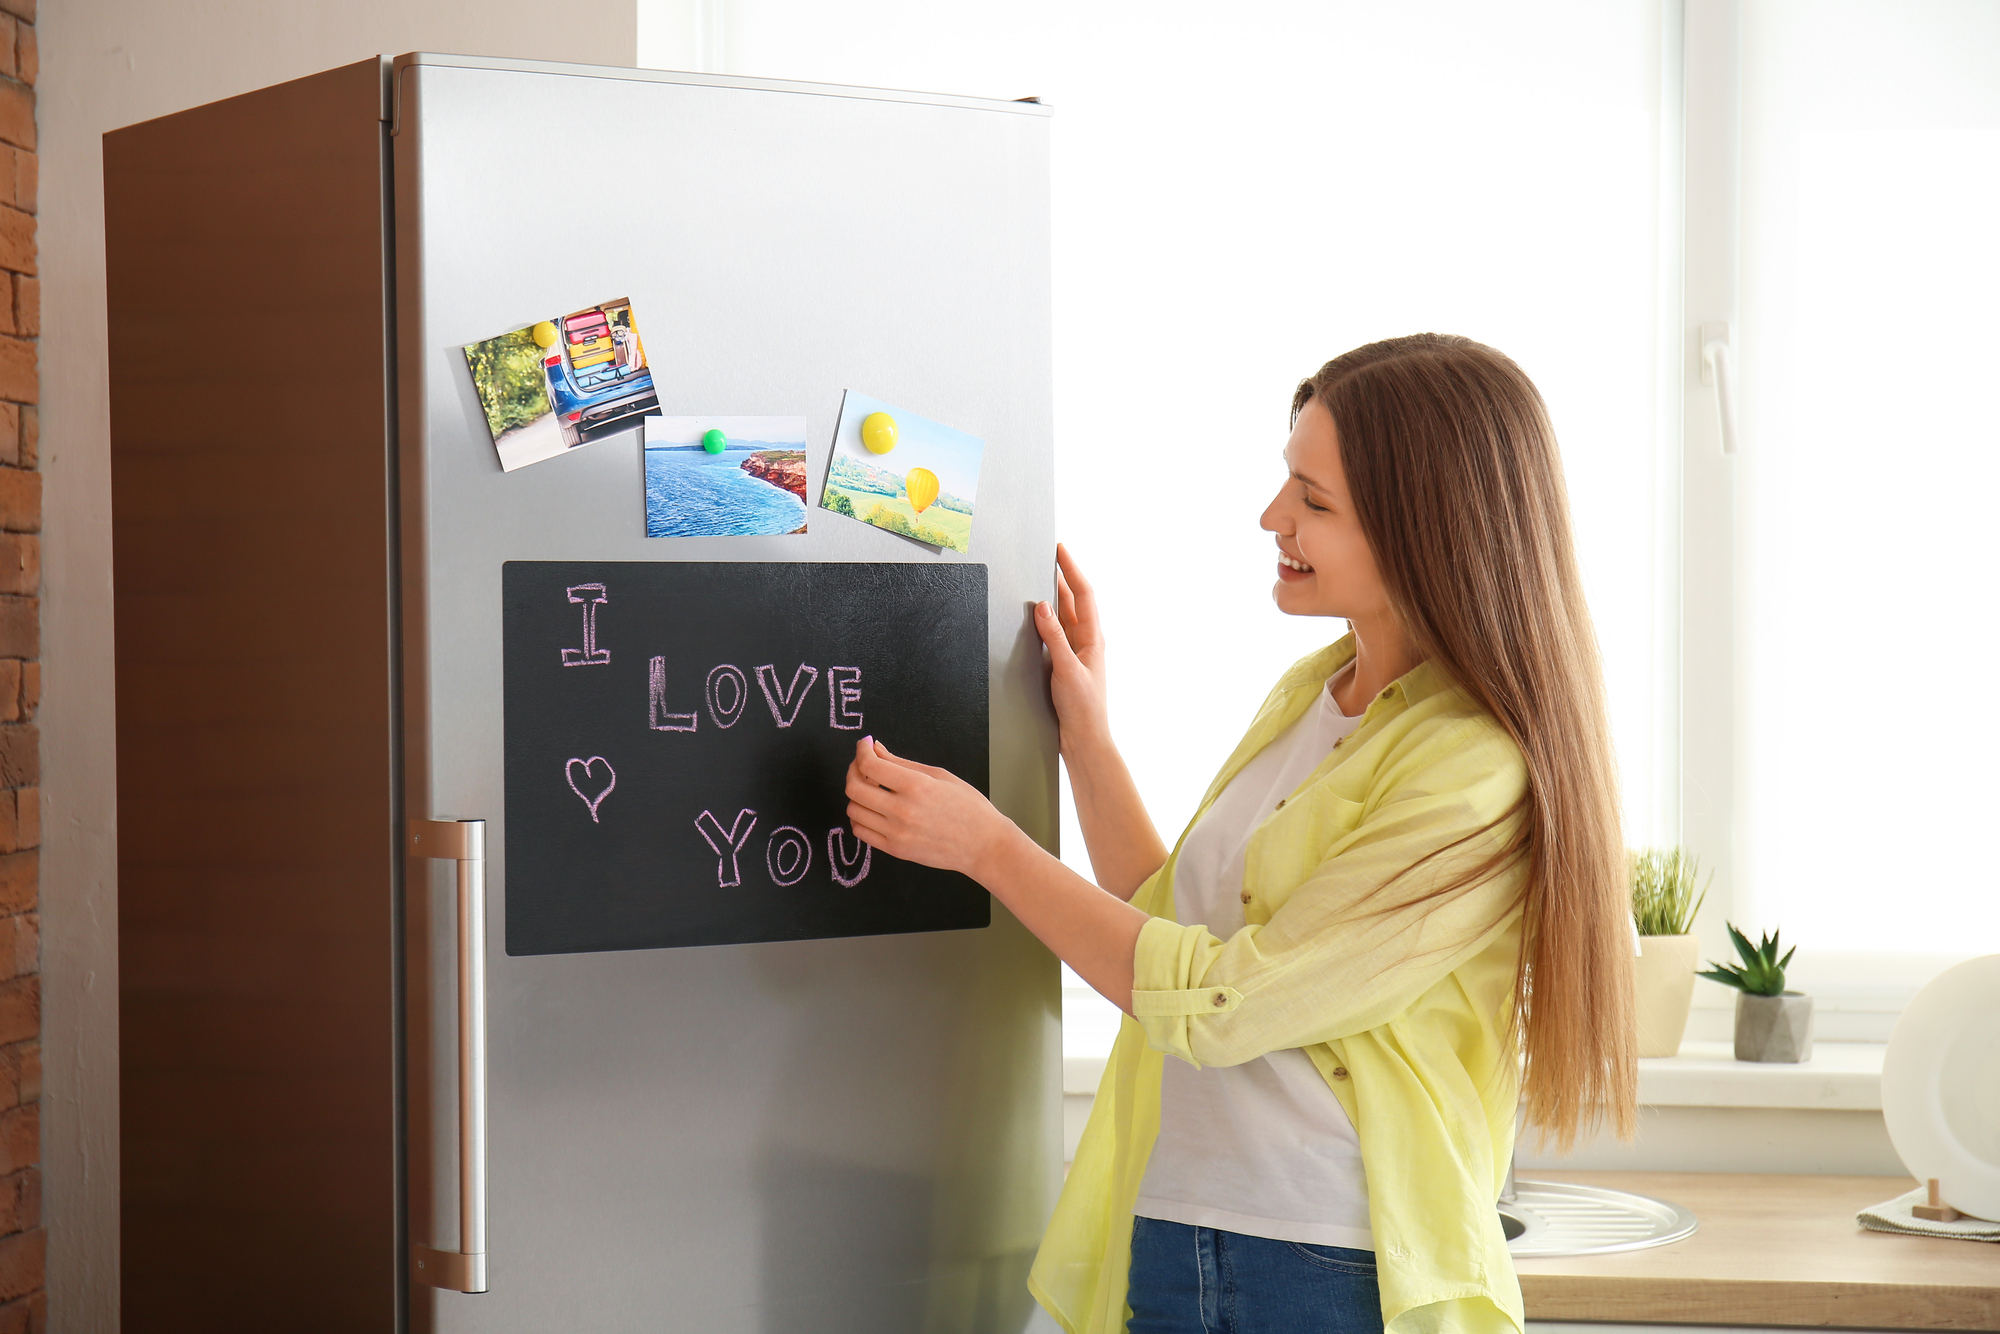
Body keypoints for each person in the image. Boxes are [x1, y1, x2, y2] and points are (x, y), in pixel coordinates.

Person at [844, 333, 1637, 1334]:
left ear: (1422, 529)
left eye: (1313, 500)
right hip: (1178, 1230)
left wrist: (990, 849)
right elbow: (1164, 926)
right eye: (1284, 483)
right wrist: (1085, 736)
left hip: (1329, 1262)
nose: (1273, 518)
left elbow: (1221, 1000)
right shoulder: (1313, 692)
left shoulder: (1475, 770)